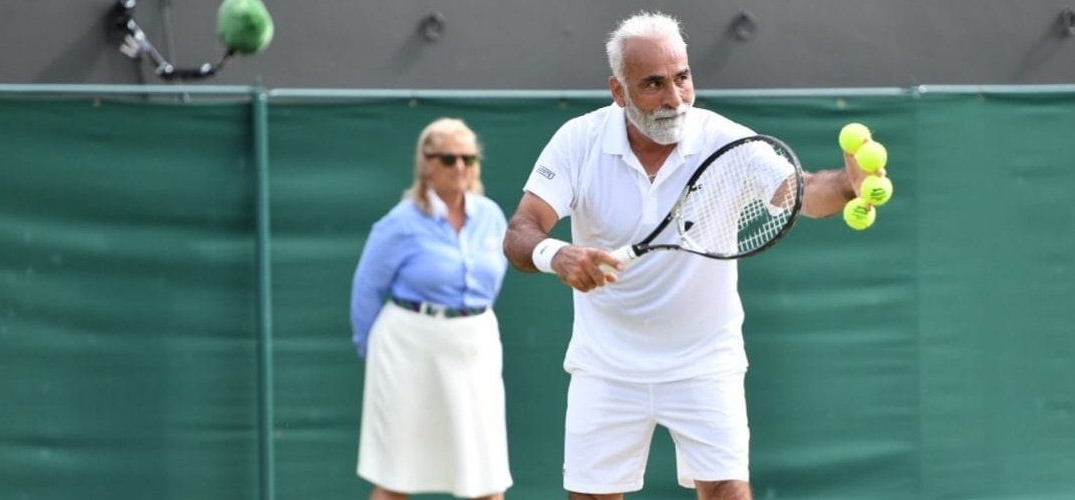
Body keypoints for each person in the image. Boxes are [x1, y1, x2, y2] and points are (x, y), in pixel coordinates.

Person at [502, 11, 883, 500]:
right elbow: (520, 231)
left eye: (682, 78)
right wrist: (558, 255)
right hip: (606, 365)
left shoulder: (726, 140)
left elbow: (803, 192)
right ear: (618, 92)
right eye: (654, 84)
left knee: (727, 493)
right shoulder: (579, 141)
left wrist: (849, 185)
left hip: (705, 362)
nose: (674, 98)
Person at [350, 117, 512, 500]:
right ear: (427, 164)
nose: (461, 167)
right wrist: (368, 350)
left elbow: (494, 279)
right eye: (449, 158)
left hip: (474, 346)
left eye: (469, 159)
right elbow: (367, 288)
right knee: (396, 475)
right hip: (407, 349)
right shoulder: (400, 222)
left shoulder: (490, 216)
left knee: (486, 474)